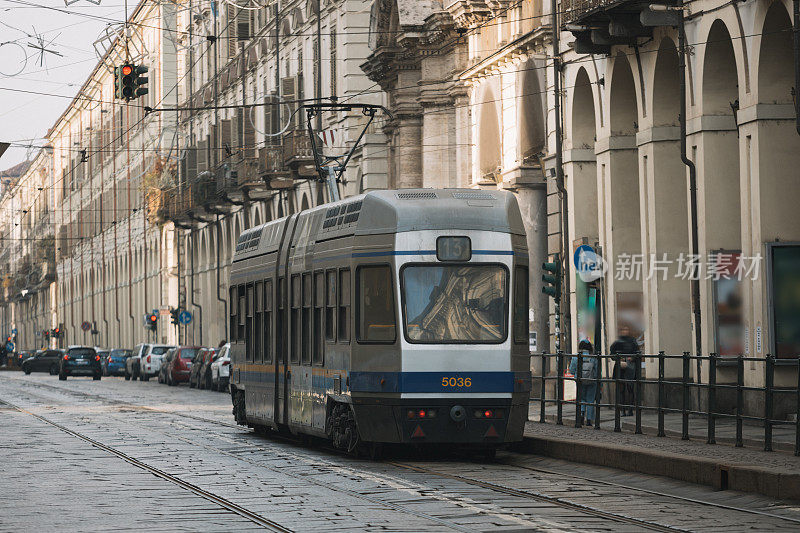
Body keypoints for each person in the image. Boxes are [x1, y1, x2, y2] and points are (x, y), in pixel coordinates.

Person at [610, 325, 639, 416]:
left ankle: (630, 410)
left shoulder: (632, 341)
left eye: (626, 330)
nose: (625, 332)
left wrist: (632, 358)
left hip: (630, 367)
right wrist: (619, 358)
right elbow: (612, 354)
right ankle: (622, 410)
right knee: (621, 389)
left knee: (630, 388)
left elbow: (637, 353)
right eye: (623, 330)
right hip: (620, 366)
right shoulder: (617, 342)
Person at [569, 340, 599, 426]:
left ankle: (581, 415)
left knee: (581, 398)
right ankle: (589, 420)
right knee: (590, 400)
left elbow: (571, 370)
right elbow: (596, 371)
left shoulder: (576, 357)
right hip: (592, 381)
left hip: (580, 381)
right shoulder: (593, 357)